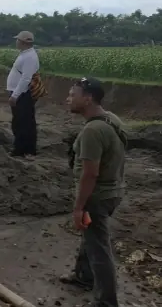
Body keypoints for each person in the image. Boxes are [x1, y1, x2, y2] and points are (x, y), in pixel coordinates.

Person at [60, 77, 126, 307]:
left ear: (87, 99)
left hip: (97, 196)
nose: (68, 99)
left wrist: (79, 207)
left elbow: (90, 174)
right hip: (113, 190)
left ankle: (106, 302)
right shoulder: (111, 120)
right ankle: (83, 275)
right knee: (91, 238)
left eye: (72, 94)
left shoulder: (92, 131)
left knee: (99, 248)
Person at [6, 31, 40, 157]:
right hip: (20, 92)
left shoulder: (29, 57)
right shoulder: (25, 54)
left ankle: (21, 149)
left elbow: (26, 78)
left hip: (22, 93)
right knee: (23, 120)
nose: (16, 42)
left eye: (18, 40)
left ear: (23, 42)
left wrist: (15, 95)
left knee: (22, 121)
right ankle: (27, 148)